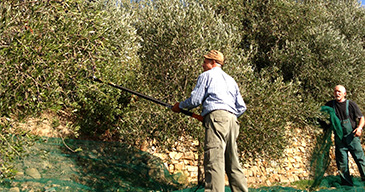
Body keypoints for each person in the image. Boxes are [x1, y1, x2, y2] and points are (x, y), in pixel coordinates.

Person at [171, 50, 248, 192]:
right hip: (233, 121)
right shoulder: (231, 80)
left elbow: (195, 100)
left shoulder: (206, 76)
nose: (202, 64)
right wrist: (224, 115)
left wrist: (179, 106)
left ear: (213, 62)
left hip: (217, 119)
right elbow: (242, 107)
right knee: (233, 163)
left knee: (214, 162)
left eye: (205, 61)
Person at [325, 85, 365, 186]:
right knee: (342, 163)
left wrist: (359, 128)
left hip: (352, 137)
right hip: (339, 139)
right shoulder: (330, 105)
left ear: (344, 94)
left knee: (360, 160)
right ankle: (347, 185)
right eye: (335, 91)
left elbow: (361, 118)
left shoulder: (351, 104)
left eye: (339, 91)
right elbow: (322, 115)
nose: (337, 93)